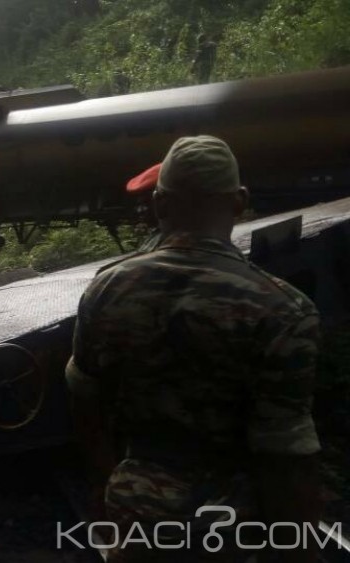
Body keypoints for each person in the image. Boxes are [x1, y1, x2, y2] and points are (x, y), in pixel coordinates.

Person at [66, 136, 321, 562]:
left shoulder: (108, 288)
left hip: (137, 516)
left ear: (160, 203)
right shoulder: (284, 309)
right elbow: (285, 456)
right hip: (231, 528)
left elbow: (83, 397)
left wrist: (110, 486)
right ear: (240, 202)